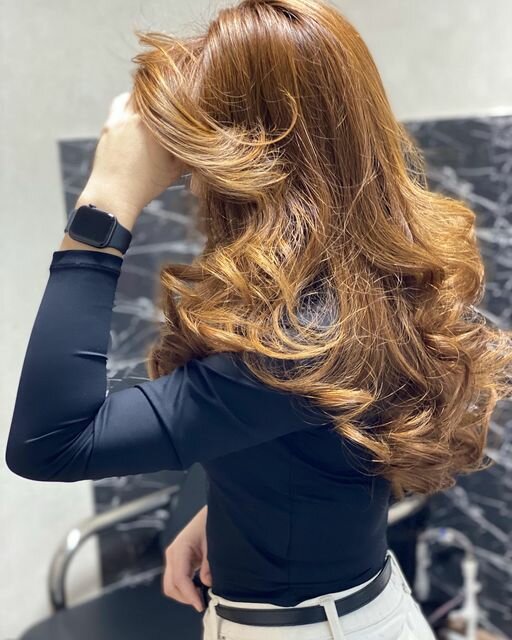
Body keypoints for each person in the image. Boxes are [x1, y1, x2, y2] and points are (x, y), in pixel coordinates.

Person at [6, 0, 512, 638]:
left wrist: (106, 201)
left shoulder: (302, 338)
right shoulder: (353, 288)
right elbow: (311, 445)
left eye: (192, 143)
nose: (186, 172)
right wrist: (230, 515)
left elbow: (51, 443)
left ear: (244, 155)